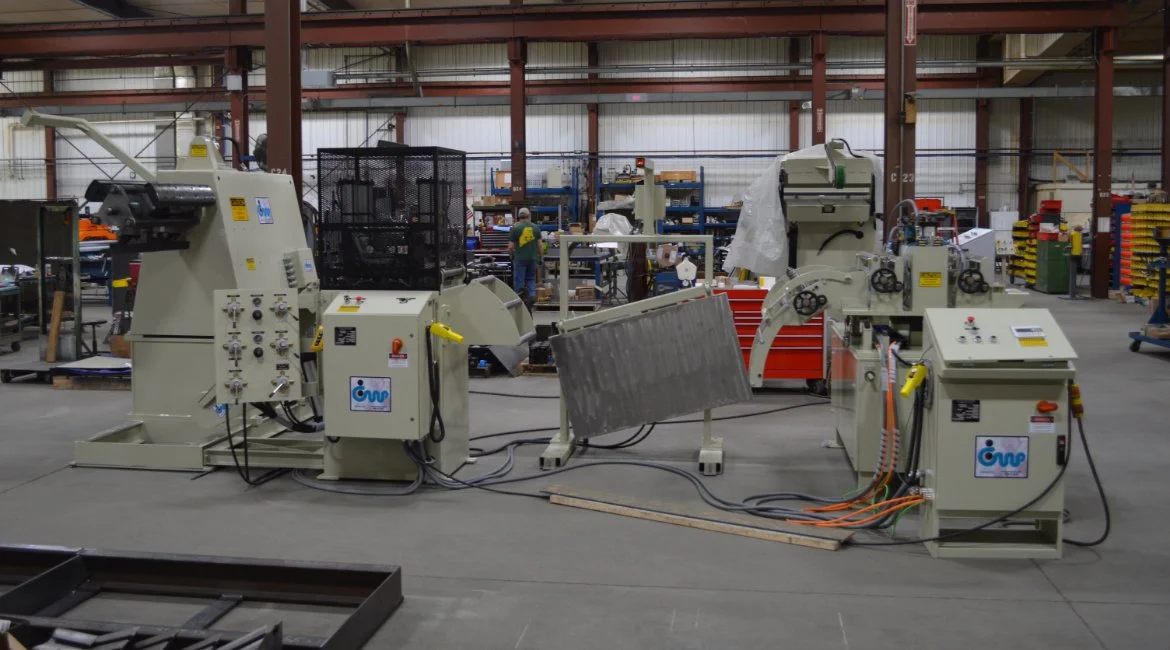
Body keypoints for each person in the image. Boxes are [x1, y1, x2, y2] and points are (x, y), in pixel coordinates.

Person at [509, 207, 540, 301]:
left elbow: (510, 246)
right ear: (529, 215)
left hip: (520, 259)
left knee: (519, 280)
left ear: (519, 216)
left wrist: (512, 255)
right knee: (531, 279)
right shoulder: (535, 227)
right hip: (532, 258)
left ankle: (520, 299)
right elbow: (540, 245)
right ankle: (531, 297)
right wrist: (541, 257)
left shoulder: (515, 228)